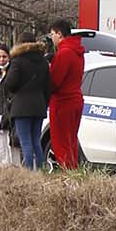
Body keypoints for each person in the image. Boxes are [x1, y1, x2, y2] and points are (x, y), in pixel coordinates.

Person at [2, 35, 52, 170]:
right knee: (36, 141)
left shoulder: (17, 61)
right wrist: (44, 102)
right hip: (39, 106)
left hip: (22, 107)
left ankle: (28, 174)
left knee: (25, 142)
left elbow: (10, 84)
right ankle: (41, 170)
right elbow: (48, 87)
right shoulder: (43, 61)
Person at [47, 17, 85, 170]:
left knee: (61, 142)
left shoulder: (64, 53)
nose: (52, 38)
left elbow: (55, 81)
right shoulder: (78, 52)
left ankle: (66, 173)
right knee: (71, 141)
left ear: (59, 34)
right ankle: (73, 172)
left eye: (52, 34)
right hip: (76, 99)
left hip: (63, 101)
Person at [0, 45, 15, 166]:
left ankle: (8, 165)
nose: (1, 60)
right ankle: (0, 165)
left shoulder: (12, 73)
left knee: (8, 141)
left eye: (4, 56)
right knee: (0, 140)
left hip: (9, 112)